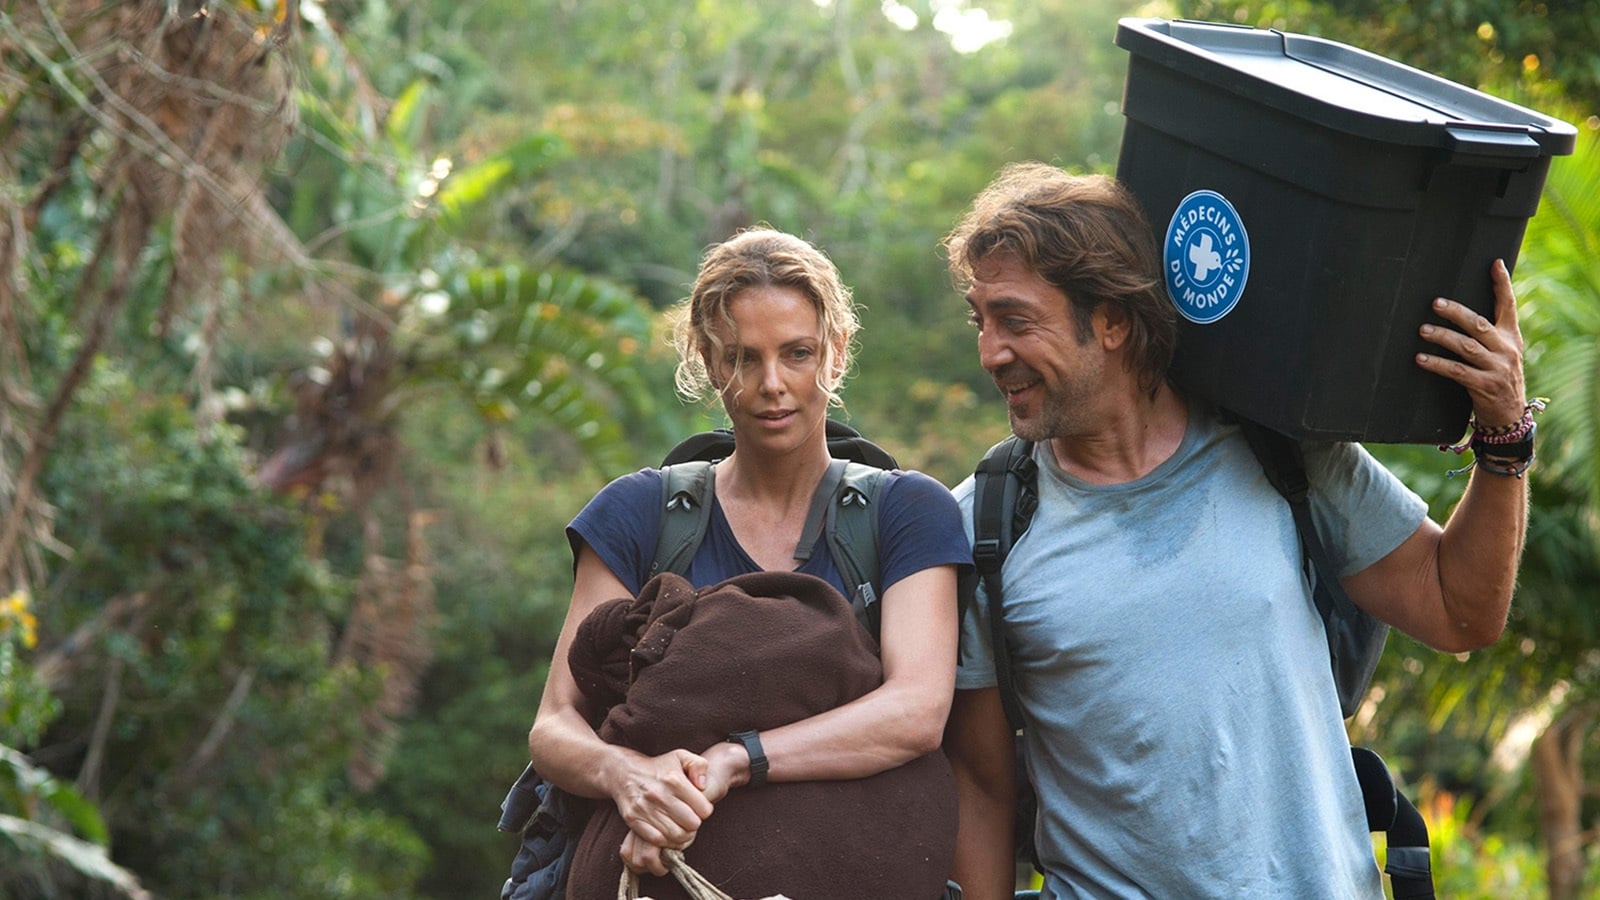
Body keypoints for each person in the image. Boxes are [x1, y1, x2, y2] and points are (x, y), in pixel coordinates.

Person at [940, 163, 1531, 899]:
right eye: (981, 320)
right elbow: (981, 788)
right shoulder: (981, 528)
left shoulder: (1279, 453)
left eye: (1016, 320)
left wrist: (1503, 433)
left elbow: (1459, 610)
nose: (990, 352)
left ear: (1113, 321)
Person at [525, 228, 970, 891]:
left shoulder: (906, 513)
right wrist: (629, 776)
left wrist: (736, 760)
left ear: (837, 352)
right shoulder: (638, 514)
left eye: (798, 354)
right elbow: (555, 724)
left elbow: (916, 712)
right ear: (707, 361)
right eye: (742, 358)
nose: (772, 385)